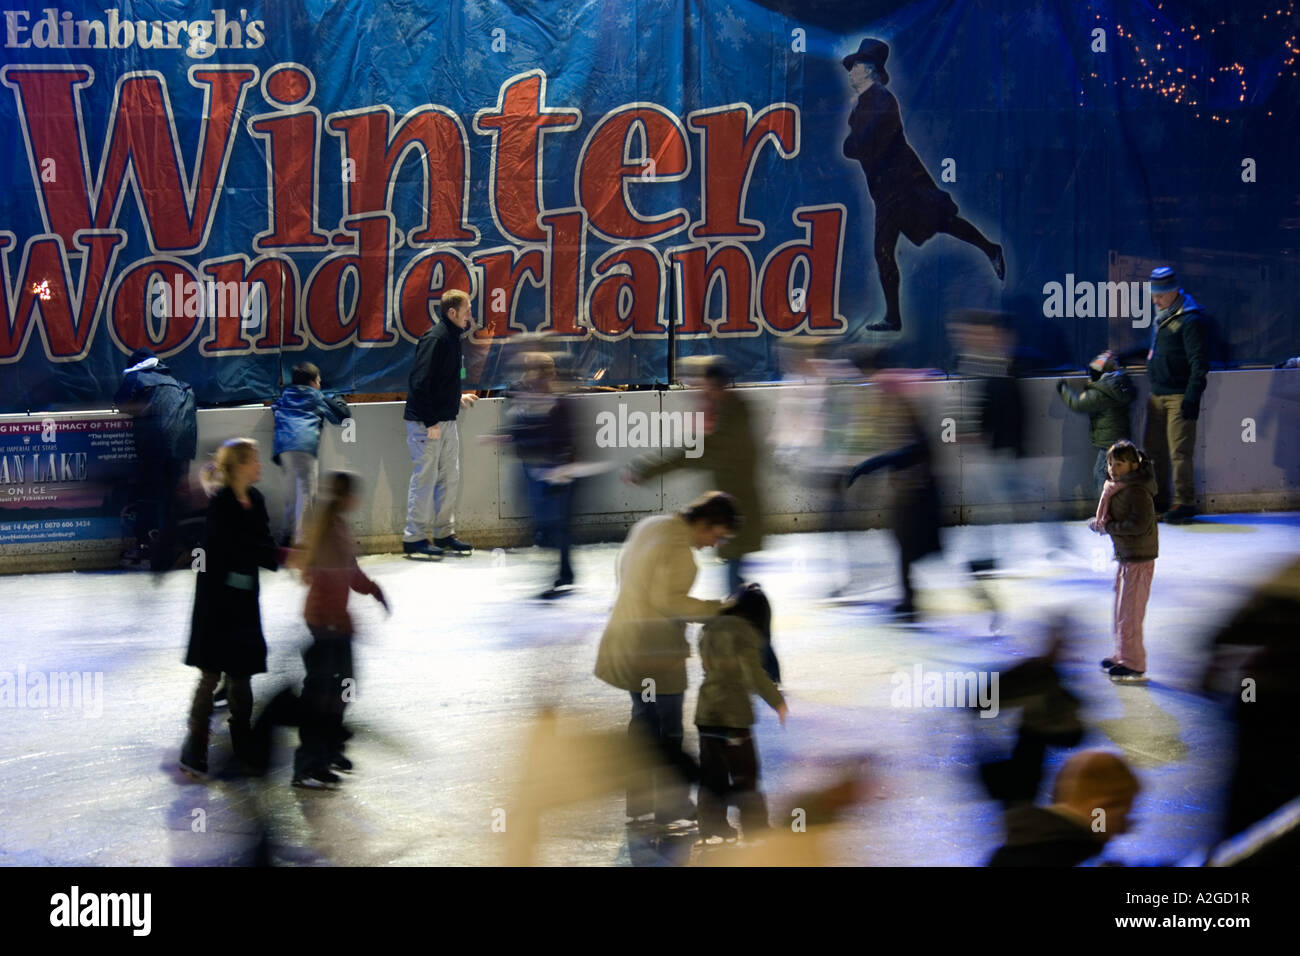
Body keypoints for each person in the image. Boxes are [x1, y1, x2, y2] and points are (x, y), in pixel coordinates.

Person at [594, 491, 741, 826]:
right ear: (704, 523)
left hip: (626, 643)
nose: (714, 545)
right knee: (669, 730)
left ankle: (641, 801)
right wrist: (719, 609)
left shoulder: (651, 524)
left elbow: (626, 572)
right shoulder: (681, 554)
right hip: (657, 654)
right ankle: (670, 804)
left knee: (644, 722)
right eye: (716, 536)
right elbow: (670, 603)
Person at [841, 38, 1004, 332]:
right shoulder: (865, 102)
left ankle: (990, 249)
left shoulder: (880, 99)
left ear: (869, 70)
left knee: (918, 233)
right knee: (932, 228)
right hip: (888, 189)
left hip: (902, 186)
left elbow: (861, 144)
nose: (850, 71)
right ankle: (990, 248)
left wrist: (852, 142)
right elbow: (859, 144)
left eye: (855, 66)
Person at [179, 438, 283, 779]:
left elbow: (262, 546)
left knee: (241, 675)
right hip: (216, 604)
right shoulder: (221, 504)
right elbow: (231, 550)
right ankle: (195, 745)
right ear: (239, 465)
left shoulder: (256, 499)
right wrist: (273, 555)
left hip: (243, 604)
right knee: (211, 675)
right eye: (254, 459)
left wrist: (278, 555)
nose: (260, 465)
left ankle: (242, 741)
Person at [624, 357, 764, 595]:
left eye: (707, 387)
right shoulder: (735, 411)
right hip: (734, 506)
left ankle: (740, 618)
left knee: (733, 569)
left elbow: (691, 454)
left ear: (716, 386)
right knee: (734, 567)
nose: (704, 393)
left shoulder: (730, 422)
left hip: (735, 509)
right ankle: (743, 610)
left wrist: (645, 470)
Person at [292, 471, 388, 788]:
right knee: (325, 691)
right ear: (346, 497)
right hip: (325, 622)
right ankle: (309, 761)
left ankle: (330, 749)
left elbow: (350, 573)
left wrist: (374, 590)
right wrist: (337, 620)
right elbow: (325, 579)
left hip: (334, 623)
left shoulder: (338, 527)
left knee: (343, 686)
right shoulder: (328, 532)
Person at [845, 364, 945, 620]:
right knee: (905, 547)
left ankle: (911, 601)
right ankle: (909, 599)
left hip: (917, 496)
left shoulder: (911, 418)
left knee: (911, 548)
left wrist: (869, 466)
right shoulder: (899, 415)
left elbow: (909, 453)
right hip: (906, 494)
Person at [695, 584, 788, 842]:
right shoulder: (746, 633)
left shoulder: (710, 627)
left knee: (712, 774)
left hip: (705, 715)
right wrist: (777, 700)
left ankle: (711, 824)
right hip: (733, 717)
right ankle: (755, 826)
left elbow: (706, 664)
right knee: (745, 774)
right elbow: (754, 674)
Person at [402, 289, 478, 558]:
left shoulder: (454, 339)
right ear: (452, 312)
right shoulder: (435, 339)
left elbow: (442, 380)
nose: (470, 314)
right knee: (425, 478)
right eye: (467, 309)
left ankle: (445, 533)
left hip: (446, 420)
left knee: (449, 477)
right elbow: (420, 382)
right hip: (428, 424)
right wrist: (431, 420)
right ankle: (414, 538)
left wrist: (457, 397)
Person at [501, 353, 580, 598]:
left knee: (559, 521)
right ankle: (559, 564)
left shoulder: (559, 398)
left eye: (544, 370)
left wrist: (564, 463)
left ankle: (564, 571)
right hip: (534, 463)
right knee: (548, 519)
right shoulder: (522, 393)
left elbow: (565, 433)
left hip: (555, 466)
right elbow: (521, 427)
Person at [112, 346, 197, 572]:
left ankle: (144, 549)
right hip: (183, 450)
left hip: (155, 446)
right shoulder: (180, 385)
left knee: (148, 496)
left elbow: (120, 404)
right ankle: (180, 549)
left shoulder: (138, 377)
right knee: (175, 500)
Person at [988, 750, 1140, 866]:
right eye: (1123, 816)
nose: (1123, 829)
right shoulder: (1068, 855)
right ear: (1100, 809)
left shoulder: (1021, 843)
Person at [1143, 266, 1208, 524]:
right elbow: (1155, 350)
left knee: (1179, 452)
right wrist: (1122, 355)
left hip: (1178, 396)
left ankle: (1184, 501)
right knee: (1153, 450)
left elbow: (1199, 362)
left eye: (1159, 295)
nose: (1154, 300)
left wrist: (1192, 397)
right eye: (1153, 294)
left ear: (1172, 293)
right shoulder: (1162, 316)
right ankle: (1159, 498)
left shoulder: (1190, 320)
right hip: (1157, 394)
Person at [1089, 440, 1158, 683]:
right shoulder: (1121, 487)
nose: (1113, 469)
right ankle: (1122, 655)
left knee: (1131, 613)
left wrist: (1107, 526)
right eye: (1110, 463)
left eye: (1119, 464)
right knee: (1121, 610)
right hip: (1128, 558)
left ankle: (1134, 663)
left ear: (1133, 464)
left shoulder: (1137, 491)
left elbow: (1138, 525)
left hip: (1139, 560)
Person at [271, 362, 351, 547]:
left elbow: (274, 409)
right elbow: (342, 417)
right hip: (305, 446)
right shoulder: (316, 396)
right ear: (313, 382)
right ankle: (302, 542)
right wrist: (336, 398)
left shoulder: (284, 396)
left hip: (283, 446)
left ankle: (286, 538)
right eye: (319, 381)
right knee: (306, 495)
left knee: (291, 495)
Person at [1055, 350, 1137, 496]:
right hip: (1120, 439)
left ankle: (1105, 508)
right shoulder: (1120, 383)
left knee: (1100, 474)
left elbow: (1078, 404)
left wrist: (1063, 389)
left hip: (1108, 443)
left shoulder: (1101, 392)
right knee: (1117, 475)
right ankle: (1118, 506)